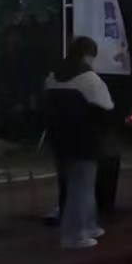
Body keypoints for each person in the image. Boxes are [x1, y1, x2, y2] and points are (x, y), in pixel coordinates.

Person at [44, 36, 116, 249]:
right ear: (88, 55)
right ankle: (75, 235)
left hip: (59, 140)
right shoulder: (90, 79)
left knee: (71, 186)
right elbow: (106, 110)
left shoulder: (52, 77)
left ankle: (89, 225)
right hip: (85, 141)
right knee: (83, 188)